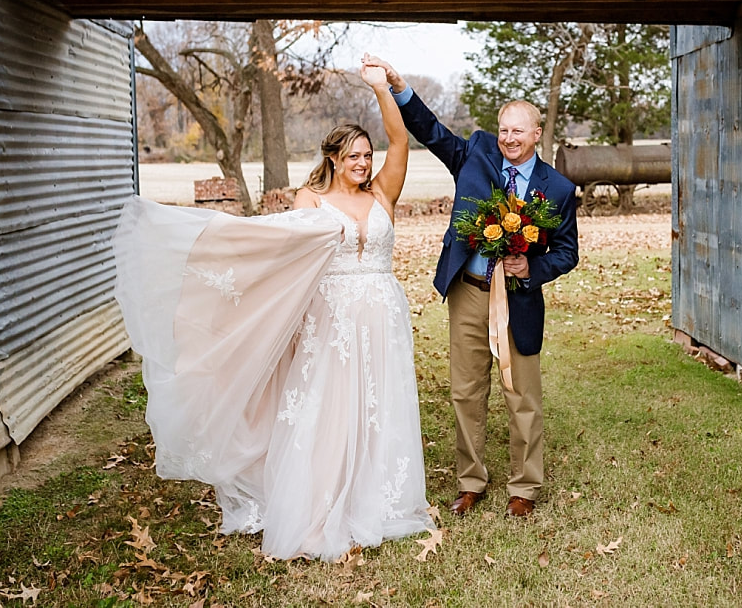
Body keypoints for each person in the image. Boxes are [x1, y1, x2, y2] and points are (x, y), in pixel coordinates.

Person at [111, 59, 433, 561]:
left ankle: (378, 499)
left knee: (379, 407)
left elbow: (401, 141)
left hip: (383, 316)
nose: (363, 163)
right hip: (331, 322)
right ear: (331, 157)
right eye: (353, 155)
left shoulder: (383, 192)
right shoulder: (311, 200)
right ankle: (320, 506)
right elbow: (285, 260)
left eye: (366, 155)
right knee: (330, 413)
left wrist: (382, 89)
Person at [362, 55, 579, 518]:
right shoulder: (477, 153)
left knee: (522, 395)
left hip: (518, 298)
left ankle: (525, 486)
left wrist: (531, 269)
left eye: (519, 131)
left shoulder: (557, 188)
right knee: (465, 390)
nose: (509, 139)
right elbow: (431, 130)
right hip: (469, 289)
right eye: (504, 130)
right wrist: (400, 88)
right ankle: (471, 480)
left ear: (537, 133)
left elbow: (567, 252)